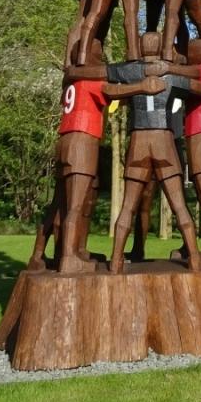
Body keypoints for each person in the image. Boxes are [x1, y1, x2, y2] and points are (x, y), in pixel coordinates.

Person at [28, 69, 165, 276]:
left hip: (64, 140)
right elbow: (111, 91)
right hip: (82, 140)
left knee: (57, 205)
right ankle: (69, 258)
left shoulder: (71, 85)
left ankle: (39, 255)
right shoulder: (90, 83)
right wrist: (142, 87)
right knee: (75, 206)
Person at [106, 37, 201, 274]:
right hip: (163, 141)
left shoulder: (130, 70)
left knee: (128, 206)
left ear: (140, 48)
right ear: (161, 48)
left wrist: (135, 87)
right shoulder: (170, 74)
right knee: (179, 204)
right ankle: (194, 258)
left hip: (138, 141)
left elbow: (105, 84)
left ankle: (116, 261)